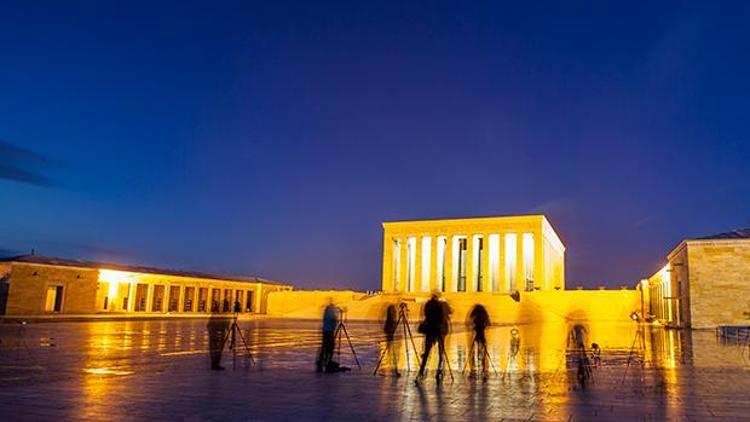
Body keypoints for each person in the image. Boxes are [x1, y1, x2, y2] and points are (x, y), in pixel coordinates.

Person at [416, 294, 451, 383]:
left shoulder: (428, 304)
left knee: (427, 352)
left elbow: (425, 314)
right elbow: (441, 317)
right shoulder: (439, 305)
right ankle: (439, 369)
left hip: (429, 329)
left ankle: (421, 371)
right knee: (440, 351)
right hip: (437, 329)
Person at [316, 300, 340, 373]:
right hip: (329, 332)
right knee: (329, 348)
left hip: (326, 331)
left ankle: (322, 363)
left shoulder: (326, 311)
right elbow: (334, 319)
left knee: (325, 348)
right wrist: (337, 313)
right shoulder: (330, 312)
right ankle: (327, 363)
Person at [468, 304, 491, 379]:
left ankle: (475, 364)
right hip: (481, 333)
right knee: (482, 349)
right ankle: (483, 364)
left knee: (475, 349)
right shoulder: (484, 315)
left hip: (477, 333)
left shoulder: (475, 315)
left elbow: (471, 321)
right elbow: (488, 323)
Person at [207, 302, 230, 370]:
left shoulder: (215, 315)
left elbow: (209, 325)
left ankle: (215, 364)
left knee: (216, 350)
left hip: (216, 335)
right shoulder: (219, 316)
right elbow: (227, 327)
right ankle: (215, 364)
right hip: (216, 335)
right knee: (217, 350)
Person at [382, 304, 401, 376]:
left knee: (391, 351)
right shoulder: (390, 319)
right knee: (391, 351)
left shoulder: (389, 318)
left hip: (390, 332)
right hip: (390, 333)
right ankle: (391, 367)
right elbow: (393, 324)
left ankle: (392, 367)